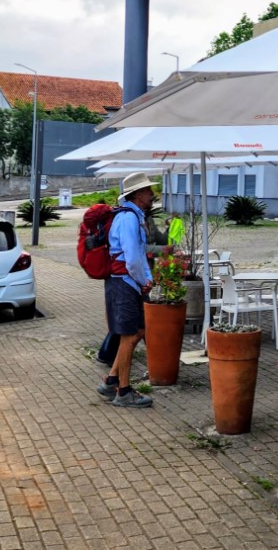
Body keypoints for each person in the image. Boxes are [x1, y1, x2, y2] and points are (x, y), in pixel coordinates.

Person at [97, 172, 156, 408]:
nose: (153, 195)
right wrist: (143, 280)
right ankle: (124, 391)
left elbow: (139, 254)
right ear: (139, 194)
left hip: (127, 282)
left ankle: (112, 380)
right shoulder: (129, 218)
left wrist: (147, 278)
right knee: (130, 335)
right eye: (149, 191)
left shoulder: (133, 216)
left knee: (137, 331)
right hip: (125, 282)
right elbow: (132, 259)